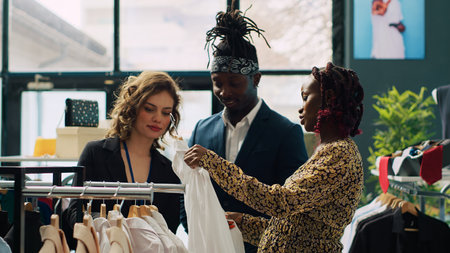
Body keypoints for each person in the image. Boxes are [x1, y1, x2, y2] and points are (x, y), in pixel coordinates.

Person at [183, 62, 365, 252]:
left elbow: (280, 202)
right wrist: (243, 222)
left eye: (305, 98)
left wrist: (214, 164)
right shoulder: (329, 151)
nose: (301, 109)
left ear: (328, 99)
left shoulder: (339, 154)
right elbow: (296, 233)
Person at [179, 5, 309, 252]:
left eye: (234, 83)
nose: (224, 92)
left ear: (256, 79)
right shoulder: (201, 130)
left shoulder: (286, 132)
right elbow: (187, 191)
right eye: (217, 83)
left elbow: (293, 207)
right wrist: (200, 232)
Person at [63, 71, 182, 248]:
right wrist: (105, 229)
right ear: (133, 107)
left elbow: (169, 230)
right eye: (149, 109)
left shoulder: (169, 171)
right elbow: (74, 213)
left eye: (166, 113)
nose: (158, 118)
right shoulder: (96, 153)